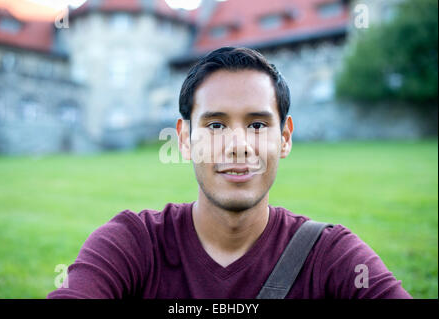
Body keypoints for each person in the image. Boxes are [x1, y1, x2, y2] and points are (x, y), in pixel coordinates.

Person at [47, 47, 412, 299]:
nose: (238, 145)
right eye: (216, 125)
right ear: (185, 140)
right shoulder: (130, 244)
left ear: (284, 139)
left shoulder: (330, 255)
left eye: (257, 124)